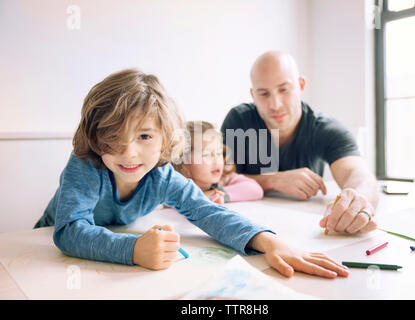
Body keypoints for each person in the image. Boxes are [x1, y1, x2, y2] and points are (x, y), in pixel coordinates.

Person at [34, 68, 349, 279]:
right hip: (42, 252)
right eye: (113, 137)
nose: (128, 152)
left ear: (165, 139)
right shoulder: (85, 164)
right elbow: (69, 231)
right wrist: (132, 250)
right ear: (94, 135)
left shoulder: (163, 176)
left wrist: (269, 241)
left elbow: (208, 212)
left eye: (144, 137)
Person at [221, 51, 378, 235]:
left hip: (305, 231)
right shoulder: (239, 121)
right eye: (263, 94)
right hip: (245, 228)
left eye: (284, 89)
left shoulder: (326, 129)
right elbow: (214, 182)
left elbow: (359, 174)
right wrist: (274, 180)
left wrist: (357, 199)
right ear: (253, 94)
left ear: (301, 85)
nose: (275, 104)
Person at [173, 120, 264, 204]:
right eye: (206, 155)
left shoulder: (224, 178)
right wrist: (200, 197)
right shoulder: (176, 183)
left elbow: (256, 190)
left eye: (219, 153)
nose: (217, 161)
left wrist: (215, 194)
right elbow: (171, 200)